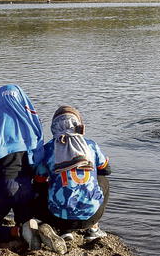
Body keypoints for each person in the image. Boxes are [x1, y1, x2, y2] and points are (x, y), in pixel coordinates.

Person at [34, 106, 111, 250]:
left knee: (42, 185)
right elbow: (106, 170)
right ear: (78, 124)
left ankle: (64, 230)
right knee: (103, 181)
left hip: (57, 218)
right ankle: (93, 229)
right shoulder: (90, 145)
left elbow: (38, 182)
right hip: (90, 216)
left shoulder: (48, 149)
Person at [0, 85, 43, 249]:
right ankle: (30, 226)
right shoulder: (30, 122)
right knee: (25, 219)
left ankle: (15, 232)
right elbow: (39, 156)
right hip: (26, 187)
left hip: (3, 186)